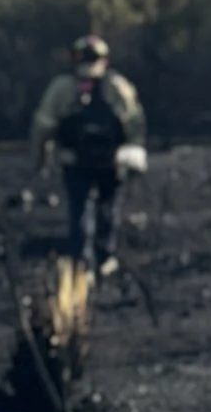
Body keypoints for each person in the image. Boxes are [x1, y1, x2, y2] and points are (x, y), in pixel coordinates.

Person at [30, 35, 144, 276]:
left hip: (74, 161)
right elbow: (134, 123)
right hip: (110, 160)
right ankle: (105, 257)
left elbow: (43, 125)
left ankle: (81, 260)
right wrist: (134, 156)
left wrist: (39, 159)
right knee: (108, 207)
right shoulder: (118, 86)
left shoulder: (61, 87)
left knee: (78, 209)